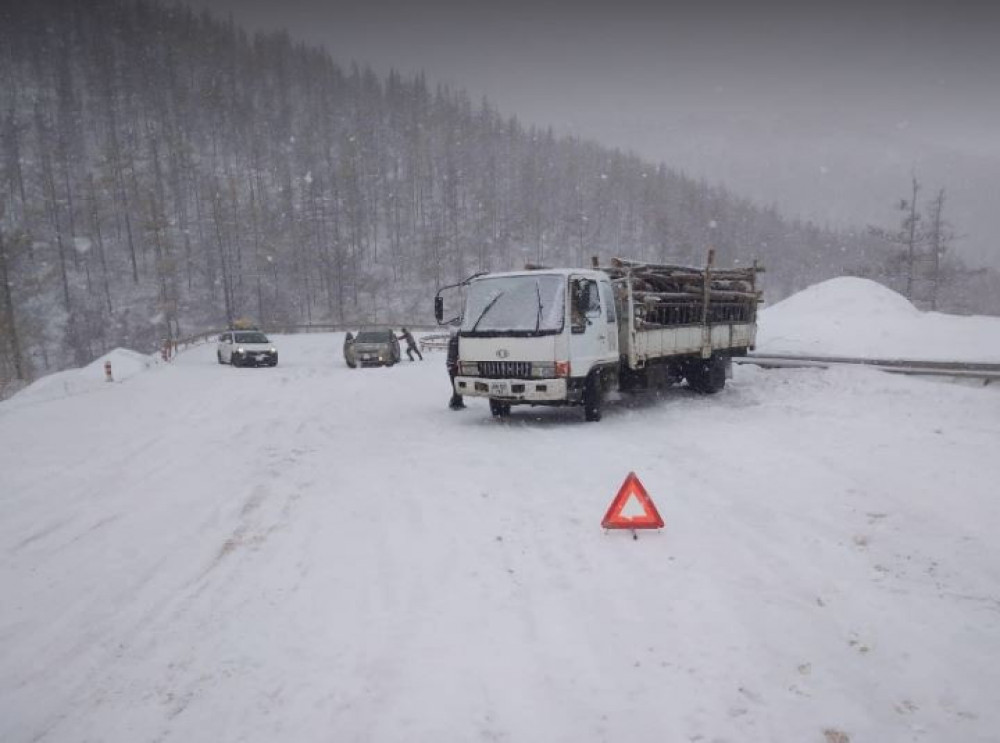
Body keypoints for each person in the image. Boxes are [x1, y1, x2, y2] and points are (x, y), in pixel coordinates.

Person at [447, 325, 465, 409]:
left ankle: (457, 401)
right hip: (454, 366)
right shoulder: (455, 342)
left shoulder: (453, 341)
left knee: (456, 386)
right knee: (456, 386)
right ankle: (455, 403)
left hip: (452, 366)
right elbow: (454, 355)